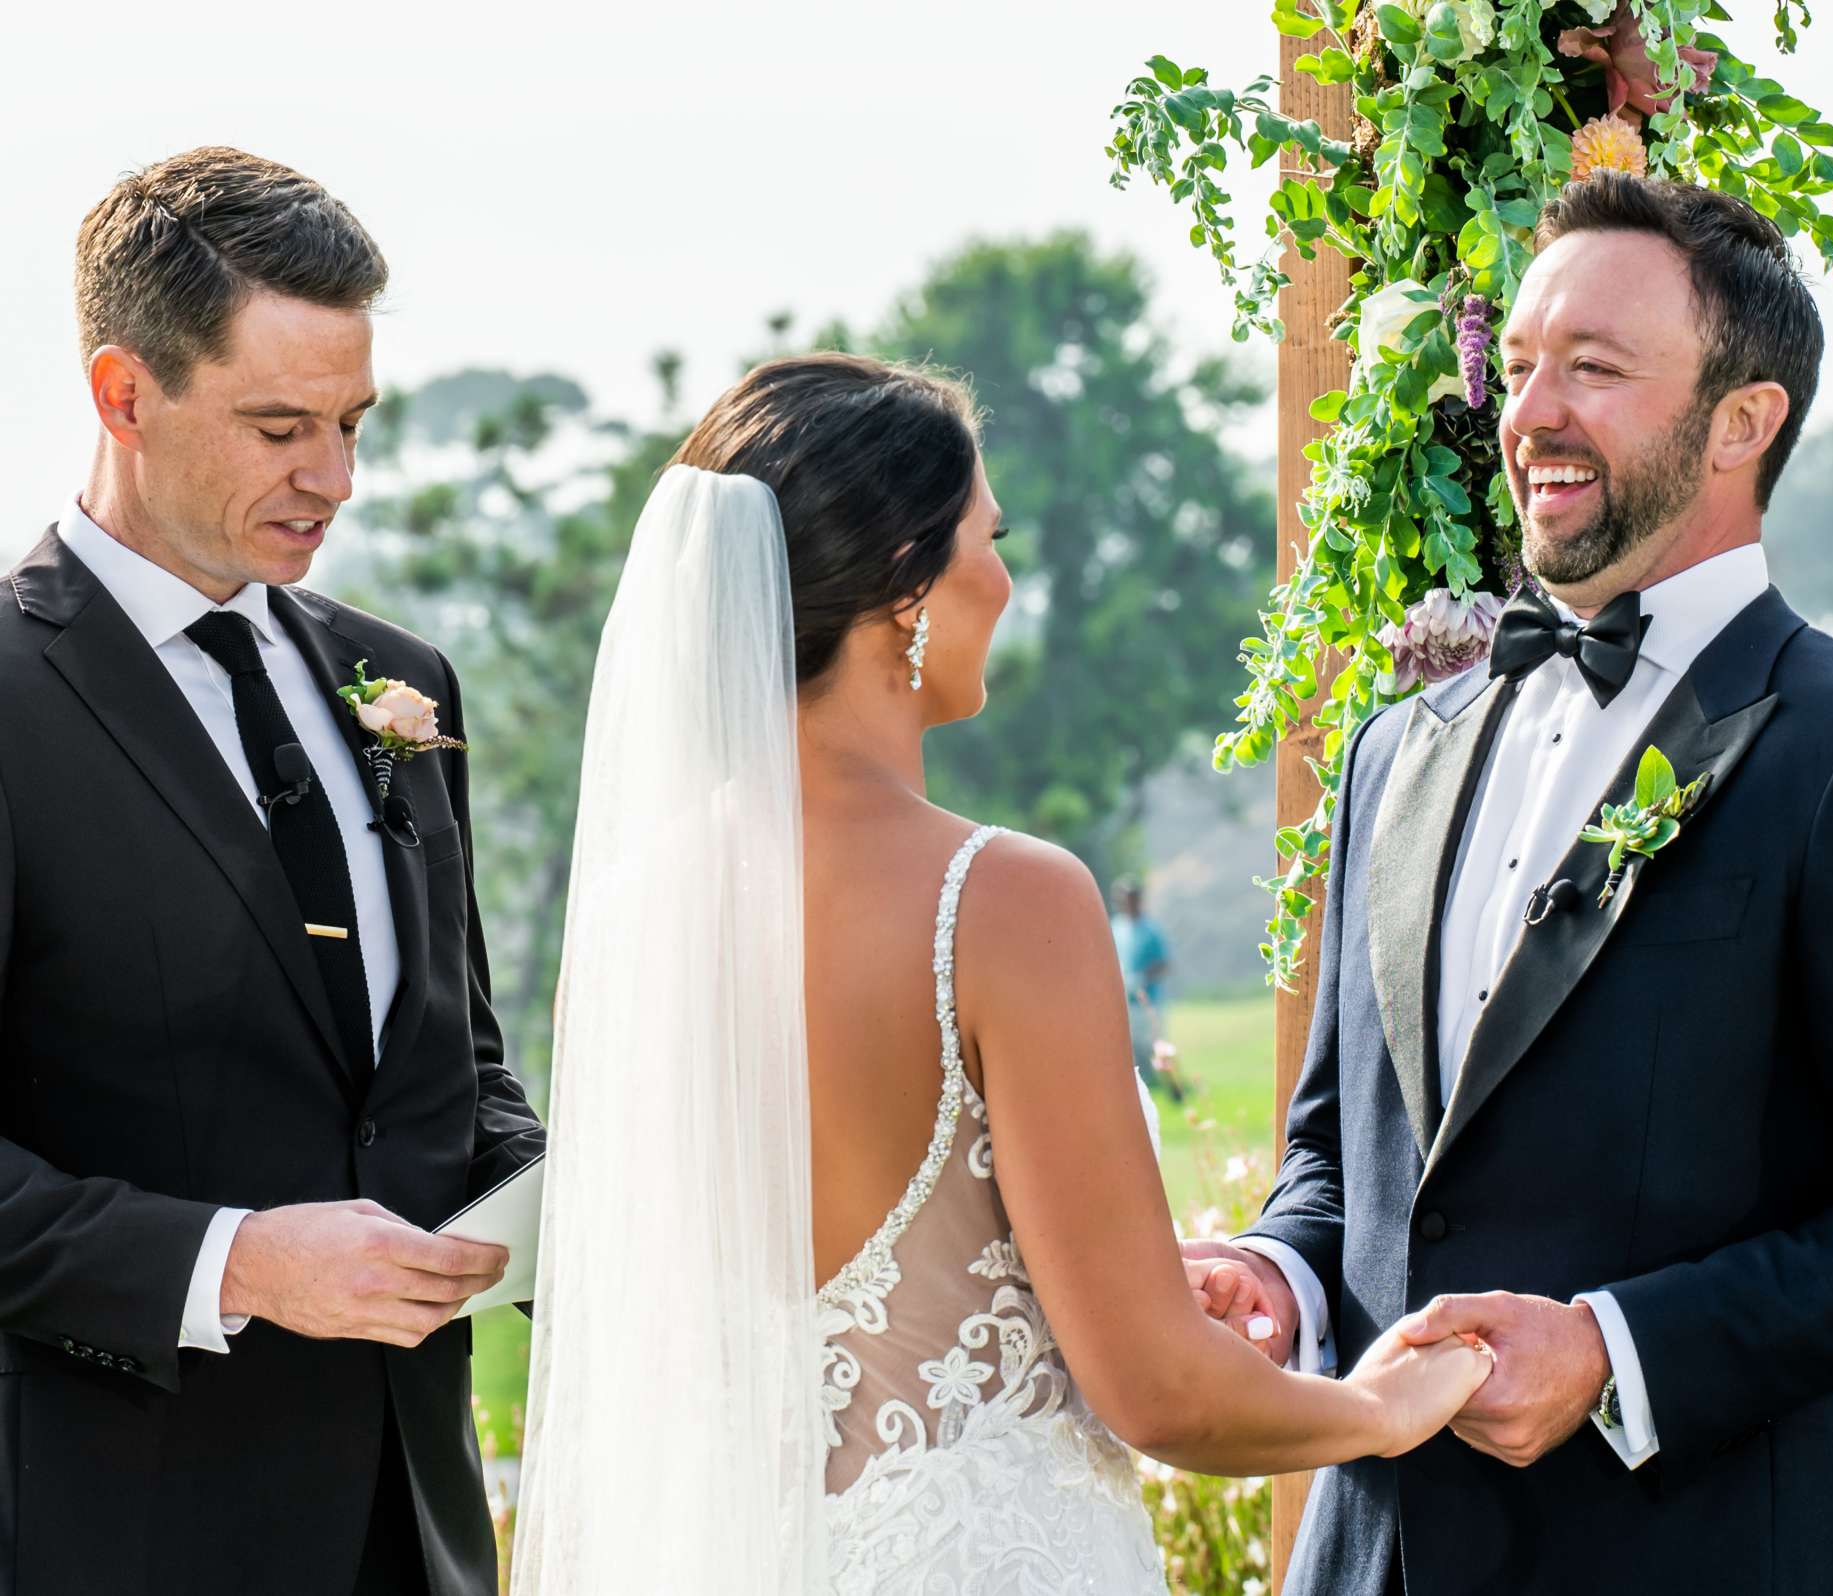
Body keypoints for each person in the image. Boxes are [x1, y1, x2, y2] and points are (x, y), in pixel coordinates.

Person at [1183, 173, 1833, 1594]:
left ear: (1742, 421)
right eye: (1522, 365)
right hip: (1372, 1562)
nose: (1530, 412)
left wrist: (1610, 1351)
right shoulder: (1396, 750)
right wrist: (1276, 1275)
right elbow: (1346, 1157)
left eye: (1594, 367)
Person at [509, 353, 1493, 1593]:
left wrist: (1109, 1275)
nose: (1008, 578)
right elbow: (1159, 1393)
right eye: (990, 536)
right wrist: (1385, 1409)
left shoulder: (640, 901)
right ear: (904, 585)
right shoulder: (1003, 899)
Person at [0, 147, 545, 1596]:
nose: (337, 480)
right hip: (110, 1537)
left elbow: (456, 1065)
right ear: (124, 394)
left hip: (419, 1527)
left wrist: (569, 1201)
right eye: (280, 427)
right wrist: (234, 1262)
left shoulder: (402, 681)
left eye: (354, 423)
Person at [1111, 876, 1186, 1102]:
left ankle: (1175, 1090)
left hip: (1149, 1000)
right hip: (1125, 1001)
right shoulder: (1116, 927)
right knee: (1130, 1051)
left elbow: (1165, 964)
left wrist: (1142, 977)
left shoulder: (1151, 930)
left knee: (1158, 1046)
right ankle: (1137, 1095)